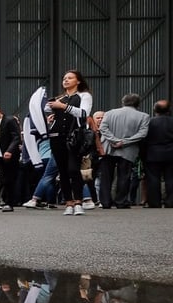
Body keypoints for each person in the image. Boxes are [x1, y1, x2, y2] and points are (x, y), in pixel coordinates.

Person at [44, 69, 92, 216]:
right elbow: (48, 110)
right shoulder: (59, 98)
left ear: (78, 81)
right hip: (56, 137)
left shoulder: (84, 96)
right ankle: (68, 202)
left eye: (70, 78)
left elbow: (84, 114)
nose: (66, 80)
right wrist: (50, 119)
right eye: (64, 78)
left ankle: (78, 201)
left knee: (73, 169)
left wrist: (63, 107)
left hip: (74, 137)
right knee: (62, 171)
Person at [98, 93, 150, 209]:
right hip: (128, 150)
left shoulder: (110, 113)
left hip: (108, 148)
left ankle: (105, 202)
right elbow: (142, 134)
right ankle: (121, 202)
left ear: (123, 102)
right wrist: (124, 142)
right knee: (124, 176)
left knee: (106, 177)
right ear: (138, 104)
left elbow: (103, 128)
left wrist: (113, 140)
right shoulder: (144, 116)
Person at [142, 100, 173, 208]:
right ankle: (171, 201)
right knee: (170, 178)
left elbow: (143, 139)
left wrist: (143, 154)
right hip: (171, 154)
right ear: (169, 110)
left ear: (154, 110)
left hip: (153, 154)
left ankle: (154, 202)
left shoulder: (149, 122)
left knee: (153, 179)